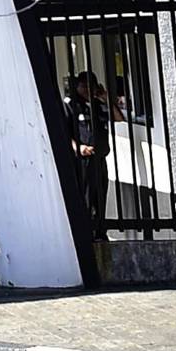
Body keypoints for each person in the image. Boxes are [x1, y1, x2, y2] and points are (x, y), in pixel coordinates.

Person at [68, 71, 112, 232]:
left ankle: (100, 230)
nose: (87, 90)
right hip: (83, 160)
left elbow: (118, 117)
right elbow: (64, 132)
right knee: (85, 197)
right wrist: (78, 147)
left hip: (99, 158)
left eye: (90, 86)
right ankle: (86, 231)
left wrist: (105, 98)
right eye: (83, 86)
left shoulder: (98, 105)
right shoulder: (71, 105)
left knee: (100, 196)